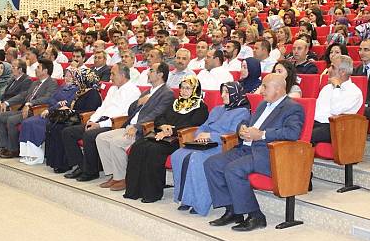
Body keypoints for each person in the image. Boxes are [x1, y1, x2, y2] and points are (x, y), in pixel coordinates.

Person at [203, 74, 304, 231]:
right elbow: (247, 122)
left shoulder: (293, 107)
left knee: (233, 169)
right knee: (212, 164)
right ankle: (233, 211)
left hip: (268, 153)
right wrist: (241, 128)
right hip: (246, 148)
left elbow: (292, 133)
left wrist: (262, 134)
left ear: (278, 89)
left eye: (265, 87)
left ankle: (256, 216)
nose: (261, 90)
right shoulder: (264, 104)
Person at [170, 82, 251, 216]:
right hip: (205, 143)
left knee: (196, 159)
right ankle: (185, 198)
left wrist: (210, 136)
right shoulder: (217, 109)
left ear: (236, 94)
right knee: (177, 155)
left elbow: (234, 134)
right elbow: (203, 126)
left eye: (227, 92)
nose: (223, 95)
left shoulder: (242, 113)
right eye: (222, 92)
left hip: (222, 146)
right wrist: (199, 135)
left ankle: (200, 203)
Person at [124, 76, 209, 203]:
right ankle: (134, 190)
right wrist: (163, 126)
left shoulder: (200, 107)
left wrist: (170, 131)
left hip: (178, 139)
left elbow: (193, 125)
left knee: (153, 150)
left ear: (195, 90)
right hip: (161, 134)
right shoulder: (175, 102)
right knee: (138, 146)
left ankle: (152, 194)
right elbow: (159, 117)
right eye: (182, 88)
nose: (184, 91)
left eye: (188, 88)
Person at [95, 63, 175, 191]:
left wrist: (137, 126)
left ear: (160, 74)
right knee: (101, 138)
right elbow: (131, 109)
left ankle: (122, 178)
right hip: (129, 125)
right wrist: (139, 101)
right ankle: (115, 175)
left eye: (151, 71)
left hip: (142, 130)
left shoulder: (167, 93)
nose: (148, 73)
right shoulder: (147, 91)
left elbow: (157, 114)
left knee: (116, 143)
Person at [62, 63, 141, 182]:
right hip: (100, 120)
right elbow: (102, 107)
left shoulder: (132, 91)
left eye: (113, 74)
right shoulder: (113, 88)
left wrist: (99, 125)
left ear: (123, 75)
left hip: (113, 124)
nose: (111, 77)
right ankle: (81, 166)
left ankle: (91, 171)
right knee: (68, 132)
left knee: (89, 135)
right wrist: (92, 120)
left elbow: (123, 115)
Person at [0, 59, 58, 158]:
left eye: (38, 67)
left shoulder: (52, 83)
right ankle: (5, 147)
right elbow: (23, 95)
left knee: (11, 120)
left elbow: (47, 98)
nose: (35, 69)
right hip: (24, 109)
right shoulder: (35, 83)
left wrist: (30, 103)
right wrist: (7, 102)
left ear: (45, 71)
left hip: (36, 111)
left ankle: (14, 150)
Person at [43, 68, 103, 173]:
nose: (76, 81)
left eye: (79, 79)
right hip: (75, 116)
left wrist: (72, 111)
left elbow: (89, 111)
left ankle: (65, 163)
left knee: (61, 128)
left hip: (82, 119)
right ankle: (56, 161)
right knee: (52, 125)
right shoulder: (81, 91)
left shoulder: (93, 93)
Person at [18, 69, 80, 165]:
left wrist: (52, 107)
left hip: (59, 116)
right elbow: (51, 99)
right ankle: (27, 154)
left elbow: (67, 104)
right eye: (66, 75)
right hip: (50, 111)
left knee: (34, 124)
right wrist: (56, 104)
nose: (67, 78)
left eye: (70, 76)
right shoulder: (62, 87)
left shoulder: (76, 90)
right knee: (27, 122)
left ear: (76, 78)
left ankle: (37, 155)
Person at [310, 55, 363, 145]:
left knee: (306, 136)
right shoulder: (327, 88)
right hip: (315, 123)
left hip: (335, 128)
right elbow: (316, 111)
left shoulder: (354, 92)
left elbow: (335, 111)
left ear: (342, 72)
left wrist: (337, 87)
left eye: (332, 67)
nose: (328, 70)